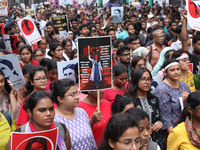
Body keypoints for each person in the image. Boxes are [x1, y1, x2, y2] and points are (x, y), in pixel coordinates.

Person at [6, 91, 71, 150]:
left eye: (51, 109)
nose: (48, 114)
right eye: (42, 110)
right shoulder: (18, 136)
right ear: (29, 112)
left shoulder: (61, 130)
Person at [52, 79, 97, 150]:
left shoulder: (82, 112)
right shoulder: (54, 119)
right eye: (72, 95)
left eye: (77, 93)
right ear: (60, 99)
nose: (77, 97)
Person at [154, 59, 190, 147]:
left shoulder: (184, 85)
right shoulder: (162, 89)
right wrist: (173, 135)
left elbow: (191, 106)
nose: (176, 72)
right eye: (172, 70)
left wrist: (189, 98)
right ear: (166, 72)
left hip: (186, 128)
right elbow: (164, 116)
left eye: (178, 69)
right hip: (172, 130)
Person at [126, 68, 162, 142]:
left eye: (149, 79)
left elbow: (158, 118)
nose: (147, 82)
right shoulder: (129, 101)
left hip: (153, 141)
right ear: (136, 81)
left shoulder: (154, 99)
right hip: (135, 142)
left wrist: (159, 123)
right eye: (143, 79)